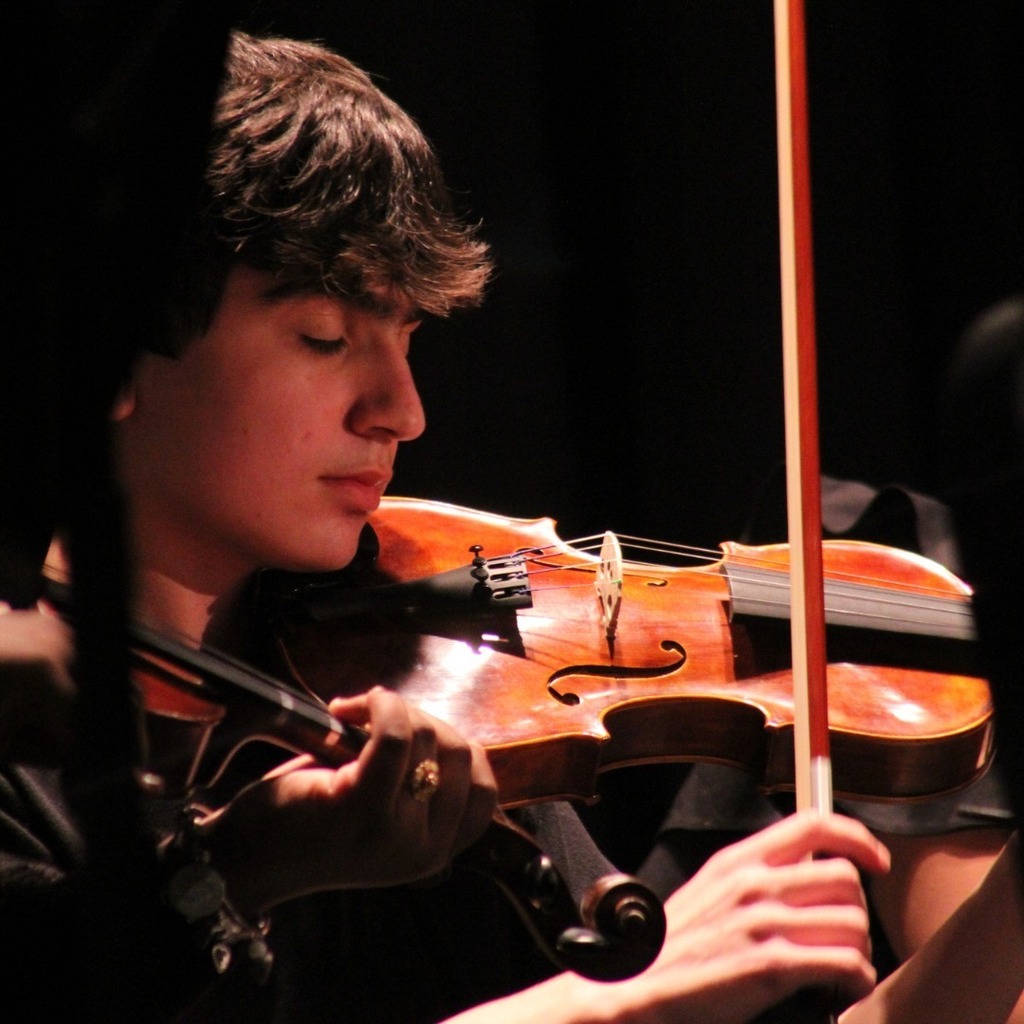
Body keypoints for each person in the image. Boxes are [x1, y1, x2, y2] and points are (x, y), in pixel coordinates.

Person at [0, 27, 1019, 1024]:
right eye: (323, 336)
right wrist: (591, 1009)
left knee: (892, 535)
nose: (401, 412)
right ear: (114, 351)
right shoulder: (25, 740)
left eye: (408, 338)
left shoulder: (433, 660)